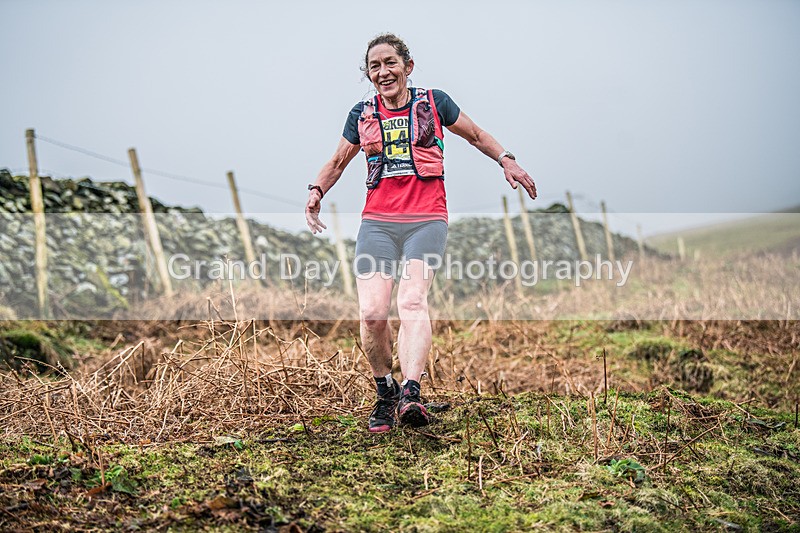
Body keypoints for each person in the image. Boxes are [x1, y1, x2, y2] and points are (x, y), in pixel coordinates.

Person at [305, 33, 536, 433]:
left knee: (412, 302)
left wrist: (507, 160)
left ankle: (411, 392)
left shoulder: (434, 101)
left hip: (427, 219)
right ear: (369, 75)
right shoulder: (361, 113)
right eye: (374, 66)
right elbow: (339, 160)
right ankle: (386, 392)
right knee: (373, 313)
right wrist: (316, 190)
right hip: (377, 222)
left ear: (407, 67)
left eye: (390, 62)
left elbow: (477, 135)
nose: (383, 71)